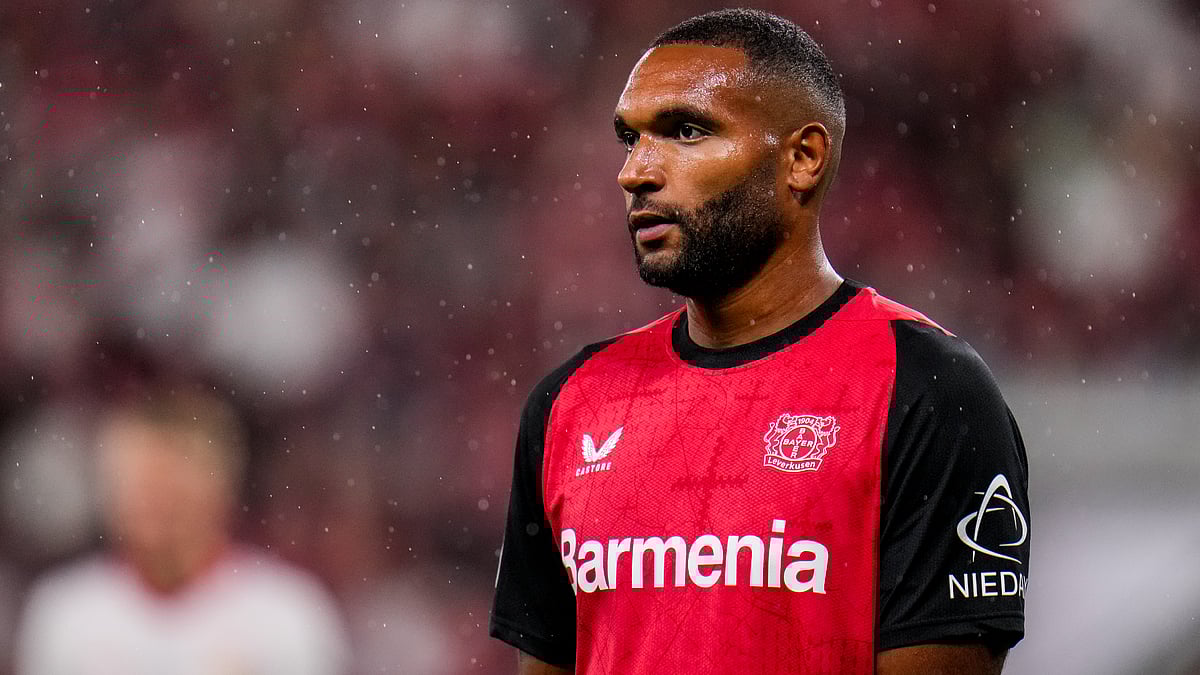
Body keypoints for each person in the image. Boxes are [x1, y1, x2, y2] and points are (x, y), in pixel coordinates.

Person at [490, 8, 1029, 675]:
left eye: (686, 131)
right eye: (631, 138)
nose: (636, 172)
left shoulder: (925, 389)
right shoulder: (569, 406)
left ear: (803, 159)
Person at [15, 386, 350, 675]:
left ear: (221, 489)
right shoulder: (64, 614)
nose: (155, 504)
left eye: (172, 487)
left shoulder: (287, 615)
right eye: (140, 485)